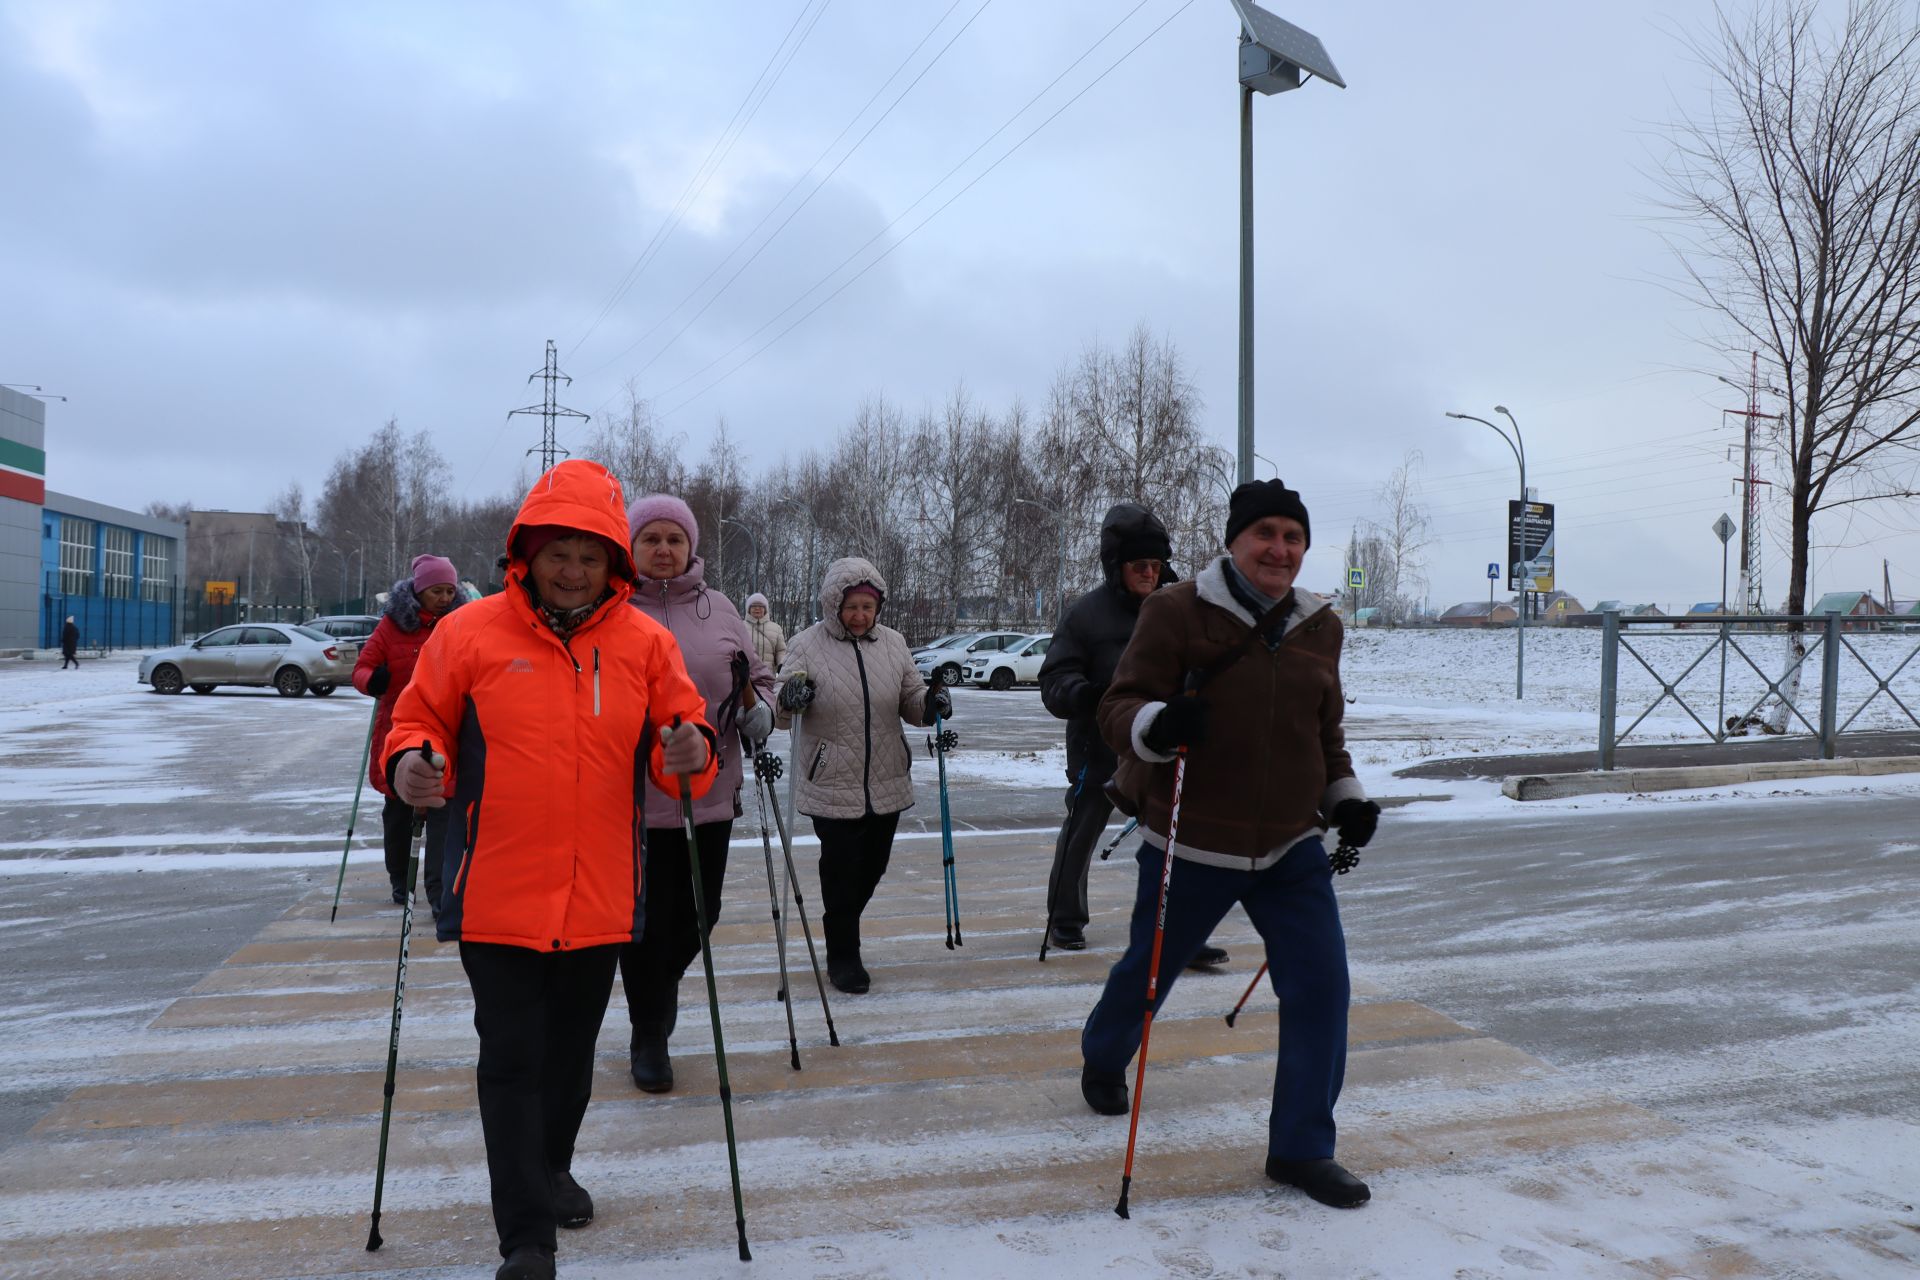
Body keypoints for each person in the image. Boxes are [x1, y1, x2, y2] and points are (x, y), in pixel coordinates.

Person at [386, 460, 719, 1280]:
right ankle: (526, 1237)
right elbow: (416, 722)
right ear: (525, 553)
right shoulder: (467, 633)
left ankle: (552, 1165)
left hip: (600, 893)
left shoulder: (645, 641)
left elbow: (685, 735)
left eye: (590, 555)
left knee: (569, 1059)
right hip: (492, 890)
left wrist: (692, 749)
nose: (572, 570)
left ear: (616, 564)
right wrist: (411, 766)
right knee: (510, 1058)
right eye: (557, 553)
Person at [1078, 479, 1383, 1210]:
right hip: (1192, 839)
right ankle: (1104, 1052)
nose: (1280, 549)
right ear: (1234, 541)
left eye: (1293, 537)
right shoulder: (1175, 610)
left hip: (1289, 846)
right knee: (1148, 975)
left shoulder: (1321, 627)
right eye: (1266, 534)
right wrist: (1159, 721)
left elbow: (1325, 735)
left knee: (1322, 989)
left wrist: (1346, 799)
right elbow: (1117, 707)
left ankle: (1303, 1148)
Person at [618, 494, 775, 1094]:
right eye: (650, 539)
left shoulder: (722, 609)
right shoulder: (612, 609)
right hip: (631, 801)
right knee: (641, 923)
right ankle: (648, 1032)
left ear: (691, 548)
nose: (663, 550)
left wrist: (758, 705)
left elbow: (756, 675)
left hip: (709, 792)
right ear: (631, 548)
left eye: (674, 539)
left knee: (700, 915)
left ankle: (660, 991)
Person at [774, 557, 947, 995]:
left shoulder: (893, 643)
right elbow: (782, 706)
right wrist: (792, 696)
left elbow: (910, 697)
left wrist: (931, 703)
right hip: (831, 779)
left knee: (873, 866)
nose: (860, 615)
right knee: (841, 871)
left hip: (886, 777)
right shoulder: (806, 644)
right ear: (835, 605)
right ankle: (843, 956)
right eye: (852, 607)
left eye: (868, 608)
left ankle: (842, 923)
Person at [353, 554, 464, 909]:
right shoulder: (391, 627)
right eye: (437, 591)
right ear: (419, 592)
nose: (445, 598)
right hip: (399, 732)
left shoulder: (463, 624)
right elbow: (361, 670)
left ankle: (439, 894)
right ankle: (401, 882)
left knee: (444, 817)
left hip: (450, 733)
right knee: (400, 815)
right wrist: (375, 680)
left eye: (450, 591)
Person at [743, 591, 786, 672]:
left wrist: (781, 664)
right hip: (746, 678)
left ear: (765, 609)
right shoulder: (740, 627)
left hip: (768, 676)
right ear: (748, 609)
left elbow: (781, 650)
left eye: (761, 606)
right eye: (753, 606)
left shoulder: (776, 628)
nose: (757, 608)